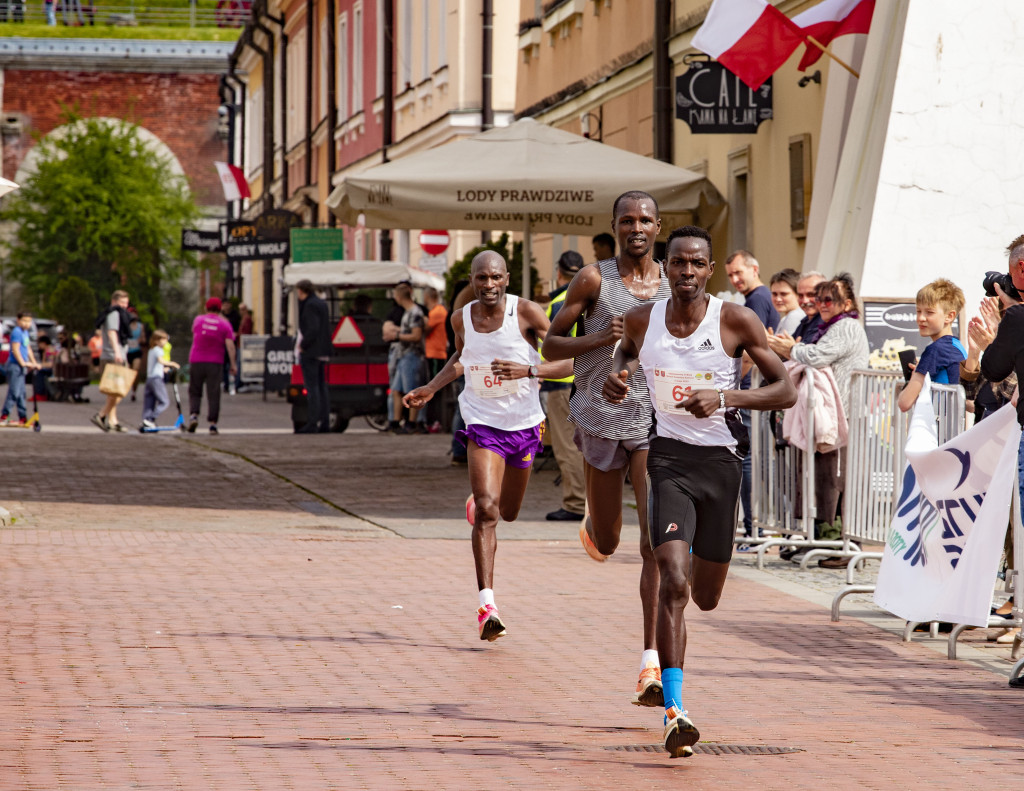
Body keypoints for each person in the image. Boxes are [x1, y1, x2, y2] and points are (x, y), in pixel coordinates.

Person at [603, 225, 796, 758]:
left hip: (720, 468)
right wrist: (617, 378)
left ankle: (676, 686)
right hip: (667, 462)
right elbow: (621, 359)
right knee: (671, 578)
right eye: (678, 263)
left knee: (705, 597)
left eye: (696, 264)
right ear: (665, 267)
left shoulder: (734, 319)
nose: (686, 271)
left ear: (709, 270)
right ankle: (676, 710)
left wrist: (727, 397)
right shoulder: (644, 320)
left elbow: (786, 389)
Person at [543, 190, 672, 707]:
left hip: (652, 417)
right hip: (599, 416)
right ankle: (594, 528)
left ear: (658, 227)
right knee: (611, 541)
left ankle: (650, 663)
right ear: (615, 226)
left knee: (653, 543)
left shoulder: (673, 281)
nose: (636, 227)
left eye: (645, 219)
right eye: (627, 220)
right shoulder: (594, 278)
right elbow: (552, 345)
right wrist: (601, 338)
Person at [403, 251, 572, 641]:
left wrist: (529, 370)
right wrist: (430, 388)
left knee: (509, 512)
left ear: (507, 278)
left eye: (495, 277)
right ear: (473, 281)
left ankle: (483, 499)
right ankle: (487, 606)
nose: (489, 285)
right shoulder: (461, 316)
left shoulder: (527, 313)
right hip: (481, 421)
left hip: (525, 425)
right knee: (488, 510)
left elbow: (571, 362)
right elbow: (463, 358)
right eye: (482, 278)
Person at [787, 274, 870, 566]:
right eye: (818, 298)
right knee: (825, 479)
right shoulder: (832, 325)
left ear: (846, 303)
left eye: (827, 299)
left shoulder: (845, 326)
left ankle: (842, 545)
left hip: (843, 416)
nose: (820, 304)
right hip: (834, 416)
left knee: (836, 480)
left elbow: (817, 356)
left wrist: (788, 348)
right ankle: (827, 541)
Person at [724, 250, 780, 546]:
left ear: (754, 269)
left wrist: (737, 385)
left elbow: (749, 349)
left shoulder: (757, 299)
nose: (734, 280)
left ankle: (755, 529)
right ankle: (756, 528)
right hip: (754, 389)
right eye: (730, 275)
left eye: (738, 273)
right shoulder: (757, 298)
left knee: (747, 459)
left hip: (750, 390)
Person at [541, 250, 586, 521]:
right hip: (587, 381)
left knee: (567, 446)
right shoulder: (593, 296)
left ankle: (575, 503)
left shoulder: (560, 301)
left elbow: (553, 346)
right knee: (584, 445)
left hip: (560, 381)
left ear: (558, 272)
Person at [897, 278, 967, 412]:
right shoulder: (956, 345)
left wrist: (914, 376)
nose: (921, 318)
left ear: (950, 316)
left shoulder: (935, 350)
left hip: (938, 427)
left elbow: (904, 402)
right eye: (918, 311)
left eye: (929, 312)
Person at [187, 297, 236, 435]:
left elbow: (195, 335)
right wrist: (233, 364)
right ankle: (213, 424)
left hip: (196, 359)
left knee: (195, 390)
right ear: (220, 309)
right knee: (213, 393)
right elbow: (230, 346)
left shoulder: (198, 320)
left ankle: (194, 415)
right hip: (215, 362)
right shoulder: (225, 324)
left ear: (206, 308)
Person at [90, 290, 133, 432]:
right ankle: (101, 415)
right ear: (114, 301)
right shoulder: (114, 313)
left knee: (114, 392)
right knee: (118, 391)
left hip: (115, 354)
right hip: (113, 356)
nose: (125, 306)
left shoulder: (117, 313)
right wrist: (117, 352)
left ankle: (113, 421)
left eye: (126, 303)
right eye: (122, 303)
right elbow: (112, 332)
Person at [388, 281, 427, 434]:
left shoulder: (415, 312)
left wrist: (397, 335)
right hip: (403, 355)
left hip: (412, 355)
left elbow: (416, 336)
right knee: (397, 390)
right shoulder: (408, 312)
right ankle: (396, 422)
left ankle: (412, 423)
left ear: (398, 296)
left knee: (412, 390)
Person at [295, 279, 332, 434]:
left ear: (302, 291)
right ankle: (324, 422)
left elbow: (312, 328)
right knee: (322, 387)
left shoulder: (309, 305)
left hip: (311, 351)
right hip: (322, 350)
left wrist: (302, 346)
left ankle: (312, 422)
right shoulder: (321, 303)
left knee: (313, 388)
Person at [767, 271, 826, 359]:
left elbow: (811, 359)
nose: (805, 301)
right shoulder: (806, 320)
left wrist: (791, 349)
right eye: (801, 296)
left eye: (811, 295)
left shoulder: (825, 321)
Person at [1, 312, 40, 426]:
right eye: (24, 320)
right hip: (15, 366)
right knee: (14, 392)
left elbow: (28, 349)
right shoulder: (17, 332)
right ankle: (4, 415)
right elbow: (15, 349)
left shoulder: (25, 332)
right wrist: (23, 363)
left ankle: (23, 417)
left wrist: (34, 363)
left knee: (21, 393)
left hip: (21, 367)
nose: (27, 323)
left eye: (29, 321)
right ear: (18, 320)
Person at [140, 330, 180, 429]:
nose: (166, 342)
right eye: (164, 339)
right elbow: (161, 360)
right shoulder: (158, 350)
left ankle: (146, 420)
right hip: (156, 379)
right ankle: (151, 419)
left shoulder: (151, 350)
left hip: (150, 378)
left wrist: (164, 369)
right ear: (157, 340)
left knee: (149, 402)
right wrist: (172, 364)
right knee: (164, 401)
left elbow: (156, 364)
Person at [423, 287, 449, 430]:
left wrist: (423, 320)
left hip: (436, 354)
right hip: (434, 353)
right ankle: (434, 420)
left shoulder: (437, 312)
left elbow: (425, 329)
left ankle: (435, 421)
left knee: (434, 389)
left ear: (428, 296)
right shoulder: (438, 311)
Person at [770, 268, 805, 336]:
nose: (778, 299)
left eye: (784, 294)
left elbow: (781, 346)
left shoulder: (794, 316)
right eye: (774, 294)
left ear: (798, 294)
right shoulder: (787, 316)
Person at [126, 316, 144, 402]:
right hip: (127, 351)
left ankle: (134, 391)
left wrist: (141, 340)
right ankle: (128, 388)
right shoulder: (126, 325)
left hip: (137, 351)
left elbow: (144, 338)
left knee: (135, 370)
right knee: (129, 372)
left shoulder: (140, 326)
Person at [33, 335, 56, 399]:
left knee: (40, 373)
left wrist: (40, 365)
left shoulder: (49, 350)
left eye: (39, 344)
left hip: (54, 371)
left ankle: (40, 393)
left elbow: (51, 364)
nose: (38, 346)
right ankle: (40, 393)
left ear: (43, 343)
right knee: (39, 372)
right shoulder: (46, 350)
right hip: (52, 370)